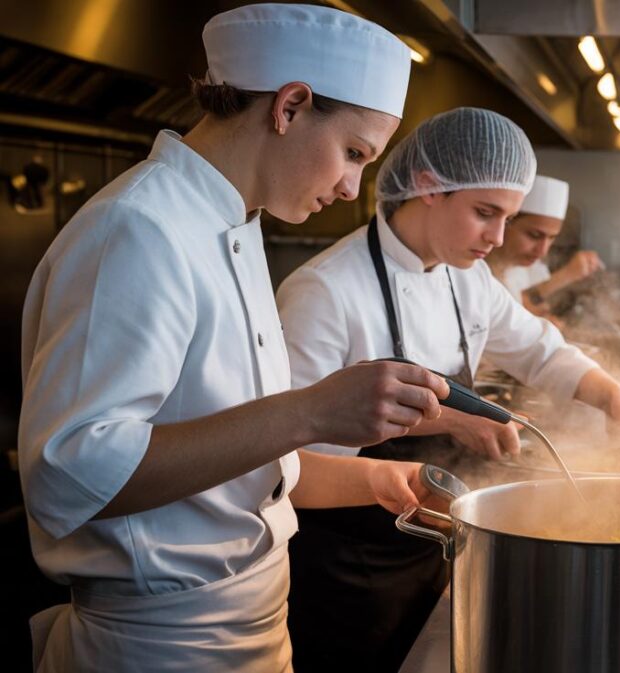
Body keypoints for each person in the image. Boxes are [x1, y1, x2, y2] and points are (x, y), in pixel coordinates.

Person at [18, 5, 451, 671]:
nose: (350, 187)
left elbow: (231, 464)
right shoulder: (138, 229)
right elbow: (71, 471)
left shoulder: (235, 225)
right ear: (290, 106)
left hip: (254, 626)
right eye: (354, 153)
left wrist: (377, 475)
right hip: (161, 647)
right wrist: (312, 410)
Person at [276, 106, 620, 671]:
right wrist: (453, 419)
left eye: (508, 217)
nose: (497, 237)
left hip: (441, 542)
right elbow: (294, 464)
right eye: (485, 213)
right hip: (352, 567)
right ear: (429, 186)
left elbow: (537, 346)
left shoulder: (466, 275)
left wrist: (611, 395)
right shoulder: (325, 292)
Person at [485, 174, 604, 317]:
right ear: (506, 223)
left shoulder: (533, 267)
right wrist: (567, 274)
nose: (542, 251)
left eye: (552, 238)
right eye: (534, 235)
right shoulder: (477, 269)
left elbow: (534, 306)